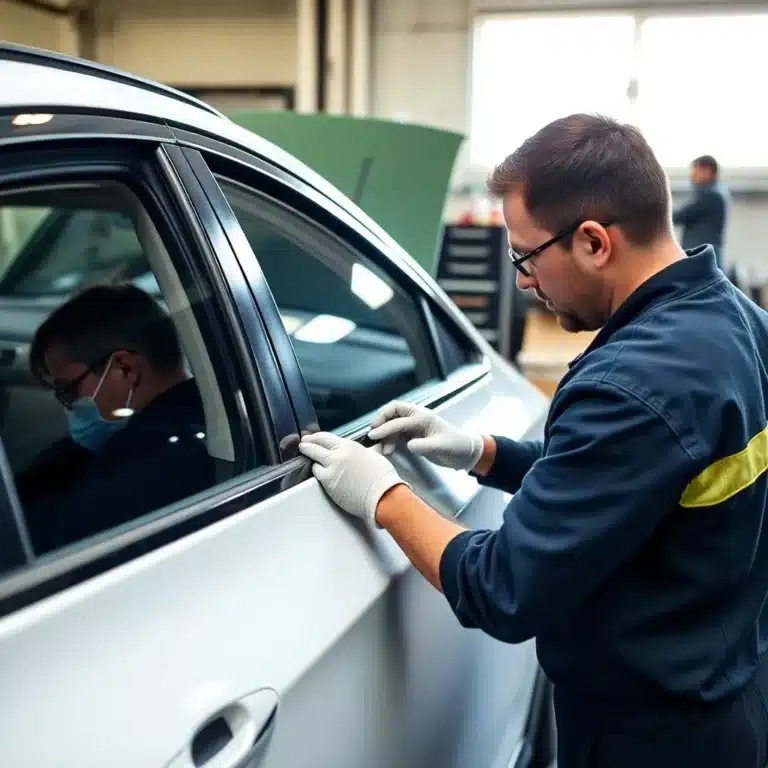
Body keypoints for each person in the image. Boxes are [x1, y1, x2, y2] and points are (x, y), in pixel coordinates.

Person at [299, 114, 768, 767]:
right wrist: (481, 452)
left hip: (646, 737)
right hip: (723, 693)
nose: (521, 280)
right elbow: (640, 479)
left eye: (524, 255)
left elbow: (504, 588)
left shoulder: (630, 385)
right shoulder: (737, 320)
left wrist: (384, 495)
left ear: (594, 242)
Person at [16, 283, 214, 554]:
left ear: (124, 369)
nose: (68, 406)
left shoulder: (148, 461)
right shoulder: (207, 417)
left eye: (68, 391)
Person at [673, 154, 729, 268]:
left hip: (702, 258)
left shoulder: (710, 195)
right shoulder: (715, 192)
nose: (692, 176)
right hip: (704, 256)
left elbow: (679, 216)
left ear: (707, 170)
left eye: (695, 171)